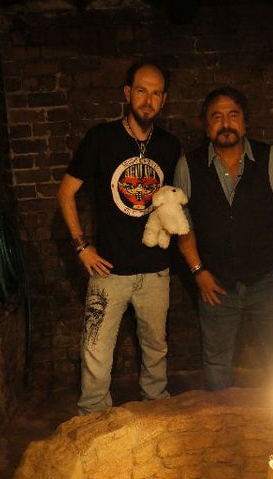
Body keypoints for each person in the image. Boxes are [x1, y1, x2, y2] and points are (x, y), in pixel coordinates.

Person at [58, 61, 183, 415]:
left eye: (156, 93)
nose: (148, 100)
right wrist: (82, 246)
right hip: (107, 271)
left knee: (156, 347)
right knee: (95, 350)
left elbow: (181, 200)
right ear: (128, 94)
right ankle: (93, 420)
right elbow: (65, 193)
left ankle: (156, 410)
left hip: (156, 269)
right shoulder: (101, 138)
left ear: (164, 100)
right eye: (142, 90)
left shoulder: (171, 146)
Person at [174, 86, 273, 390]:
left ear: (244, 122)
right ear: (207, 127)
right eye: (216, 117)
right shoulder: (188, 167)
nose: (226, 123)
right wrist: (198, 272)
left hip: (269, 279)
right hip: (216, 283)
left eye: (233, 115)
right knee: (216, 361)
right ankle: (221, 426)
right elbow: (182, 225)